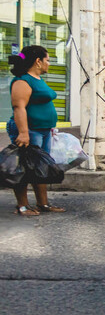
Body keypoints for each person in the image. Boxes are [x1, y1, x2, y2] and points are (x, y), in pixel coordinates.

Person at [7, 45, 64, 216]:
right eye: (47, 60)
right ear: (38, 62)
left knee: (41, 167)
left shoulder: (37, 79)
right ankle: (22, 206)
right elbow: (19, 107)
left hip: (43, 130)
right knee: (24, 168)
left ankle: (43, 204)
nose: (49, 64)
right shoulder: (23, 81)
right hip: (30, 131)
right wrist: (23, 133)